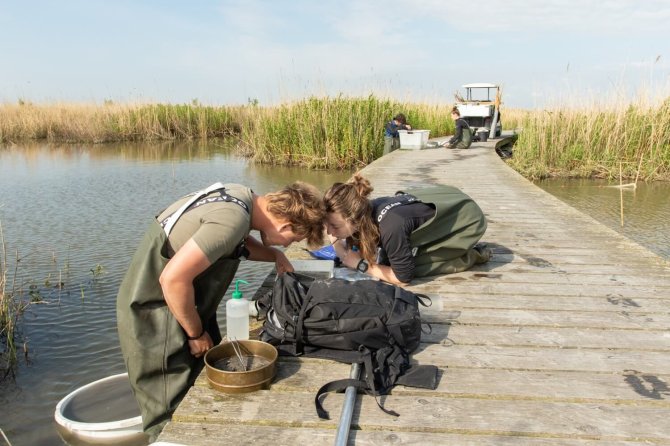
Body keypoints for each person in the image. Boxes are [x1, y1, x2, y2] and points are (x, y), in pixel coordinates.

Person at [116, 181, 325, 440]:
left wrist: (274, 256)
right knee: (167, 412)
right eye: (292, 240)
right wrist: (195, 334)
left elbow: (237, 244)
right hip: (155, 312)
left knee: (199, 384)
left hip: (183, 304)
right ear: (286, 225)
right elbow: (172, 280)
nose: (287, 245)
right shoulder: (232, 220)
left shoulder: (241, 198)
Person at [323, 174, 490, 286]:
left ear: (354, 220)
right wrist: (339, 244)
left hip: (466, 219)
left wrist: (361, 265)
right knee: (385, 259)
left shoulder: (390, 227)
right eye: (326, 225)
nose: (329, 232)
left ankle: (472, 254)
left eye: (334, 226)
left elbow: (403, 278)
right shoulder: (364, 212)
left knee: (413, 267)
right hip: (443, 201)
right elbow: (345, 251)